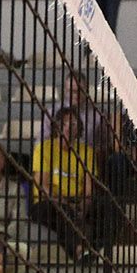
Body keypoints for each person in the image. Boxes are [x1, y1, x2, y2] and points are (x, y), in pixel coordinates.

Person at [31, 108, 99, 256]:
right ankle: (80, 250)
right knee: (65, 213)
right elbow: (42, 185)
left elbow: (89, 189)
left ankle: (100, 252)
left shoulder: (87, 152)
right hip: (47, 202)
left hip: (76, 200)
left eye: (73, 124)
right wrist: (65, 203)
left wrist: (83, 205)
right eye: (64, 123)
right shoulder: (43, 149)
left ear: (79, 128)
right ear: (56, 126)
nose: (68, 127)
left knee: (105, 208)